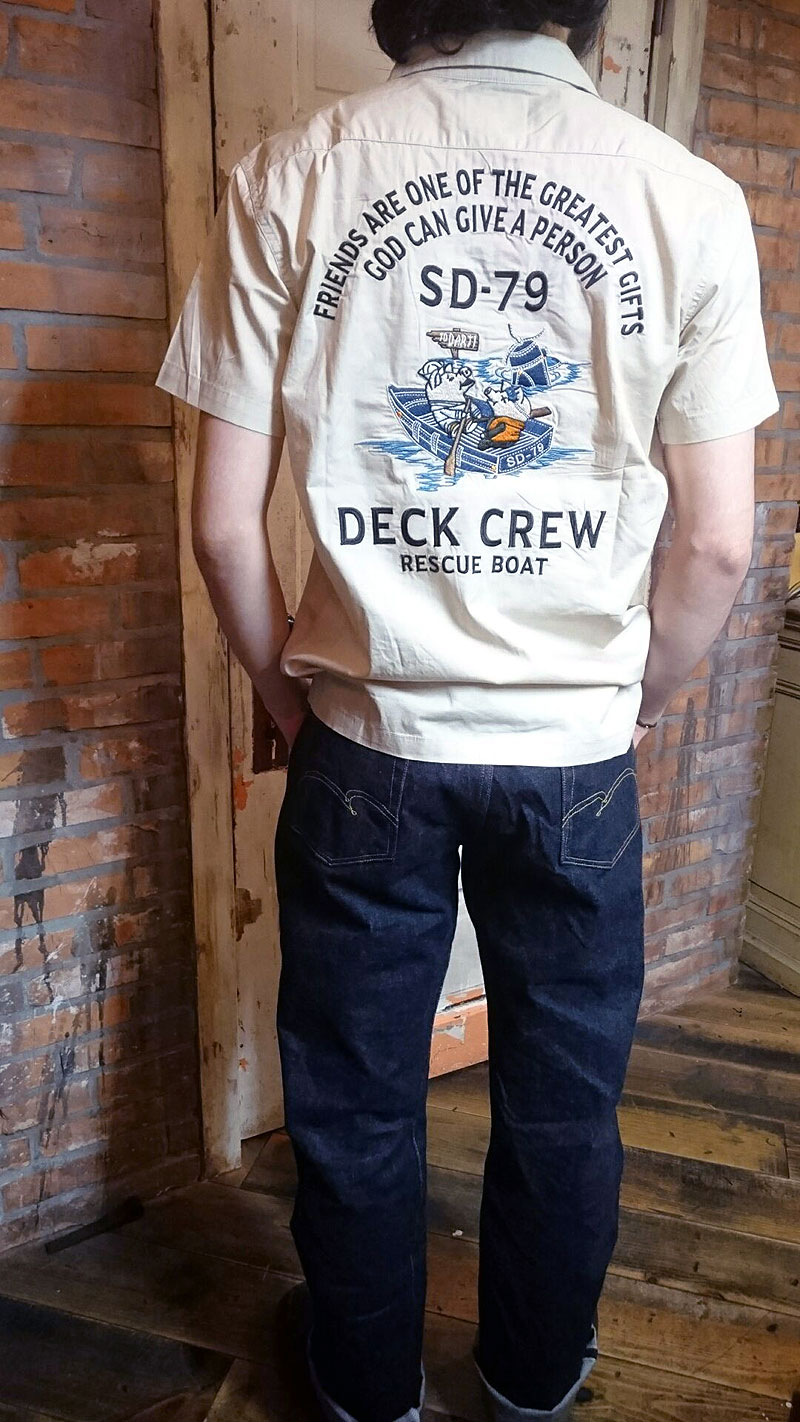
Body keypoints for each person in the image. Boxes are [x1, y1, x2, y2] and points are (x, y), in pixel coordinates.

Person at [154, 2, 779, 1418]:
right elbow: (717, 545)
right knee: (565, 1100)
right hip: (575, 751)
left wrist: (288, 701)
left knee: (353, 1093)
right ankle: (533, 1380)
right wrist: (625, 705)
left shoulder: (292, 171)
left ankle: (366, 1387)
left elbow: (223, 527)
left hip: (366, 742)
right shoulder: (687, 197)